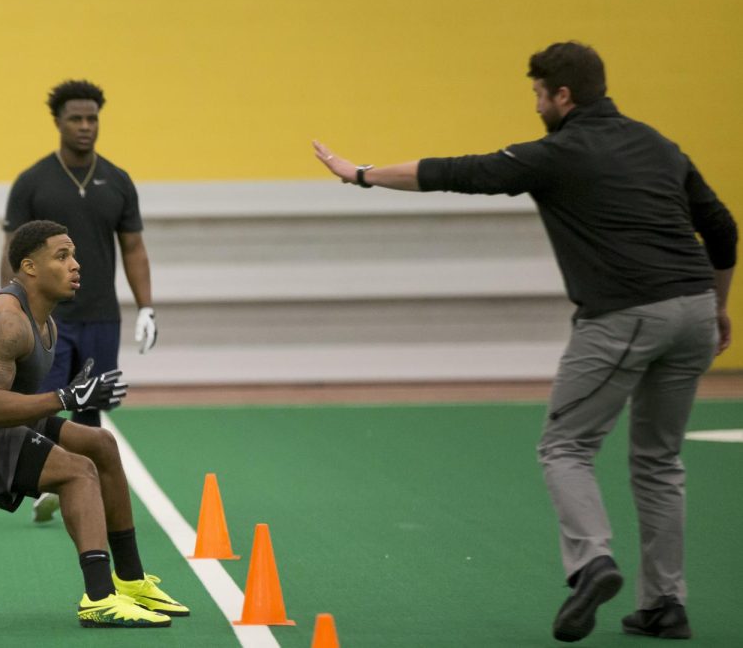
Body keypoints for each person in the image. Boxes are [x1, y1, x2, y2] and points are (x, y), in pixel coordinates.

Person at [313, 41, 737, 643]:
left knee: (566, 445)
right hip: (694, 309)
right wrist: (718, 307)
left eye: (539, 94)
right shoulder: (658, 144)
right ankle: (667, 604)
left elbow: (455, 172)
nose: (536, 104)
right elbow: (721, 226)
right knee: (659, 459)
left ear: (563, 95)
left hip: (626, 313)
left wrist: (361, 174)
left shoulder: (558, 153)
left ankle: (593, 562)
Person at [0, 220, 189, 627]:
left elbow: (12, 405)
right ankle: (99, 599)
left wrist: (74, 394)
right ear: (29, 267)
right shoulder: (4, 320)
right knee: (77, 471)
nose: (75, 265)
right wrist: (64, 398)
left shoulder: (46, 323)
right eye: (62, 256)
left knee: (101, 444)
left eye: (73, 255)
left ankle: (130, 581)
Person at [0, 79, 157, 523]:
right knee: (45, 401)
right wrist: (13, 309)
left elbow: (133, 248)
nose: (86, 127)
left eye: (92, 119)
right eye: (76, 119)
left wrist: (146, 305)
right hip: (49, 319)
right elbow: (12, 252)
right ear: (58, 122)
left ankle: (89, 482)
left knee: (92, 404)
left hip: (101, 317)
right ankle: (48, 479)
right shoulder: (33, 182)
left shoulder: (118, 181)